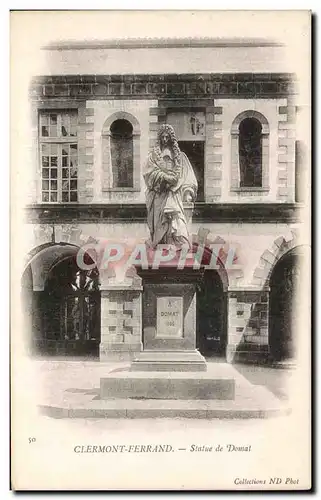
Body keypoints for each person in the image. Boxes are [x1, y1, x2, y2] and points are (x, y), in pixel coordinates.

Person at [144, 124, 198, 248]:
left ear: (171, 138)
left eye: (167, 137)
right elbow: (148, 173)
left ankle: (176, 243)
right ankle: (161, 244)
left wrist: (188, 191)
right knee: (160, 223)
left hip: (175, 193)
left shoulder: (181, 157)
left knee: (176, 221)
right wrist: (163, 177)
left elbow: (188, 176)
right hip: (159, 194)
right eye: (162, 137)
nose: (164, 140)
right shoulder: (153, 156)